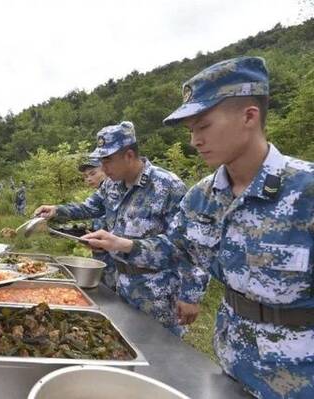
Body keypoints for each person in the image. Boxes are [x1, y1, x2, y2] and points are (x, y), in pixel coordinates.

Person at [83, 56, 314, 398]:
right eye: (191, 130)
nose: (194, 141)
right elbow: (176, 248)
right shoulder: (203, 197)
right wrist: (121, 244)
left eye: (203, 126)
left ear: (249, 116)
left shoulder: (304, 190)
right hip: (232, 362)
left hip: (299, 375)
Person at [35, 122, 207, 336]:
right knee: (129, 342)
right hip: (121, 283)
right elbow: (90, 207)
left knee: (161, 352)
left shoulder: (167, 185)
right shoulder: (111, 185)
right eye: (101, 161)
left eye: (108, 160)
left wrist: (190, 295)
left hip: (158, 290)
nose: (104, 168)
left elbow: (189, 244)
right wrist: (57, 210)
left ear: (129, 155)